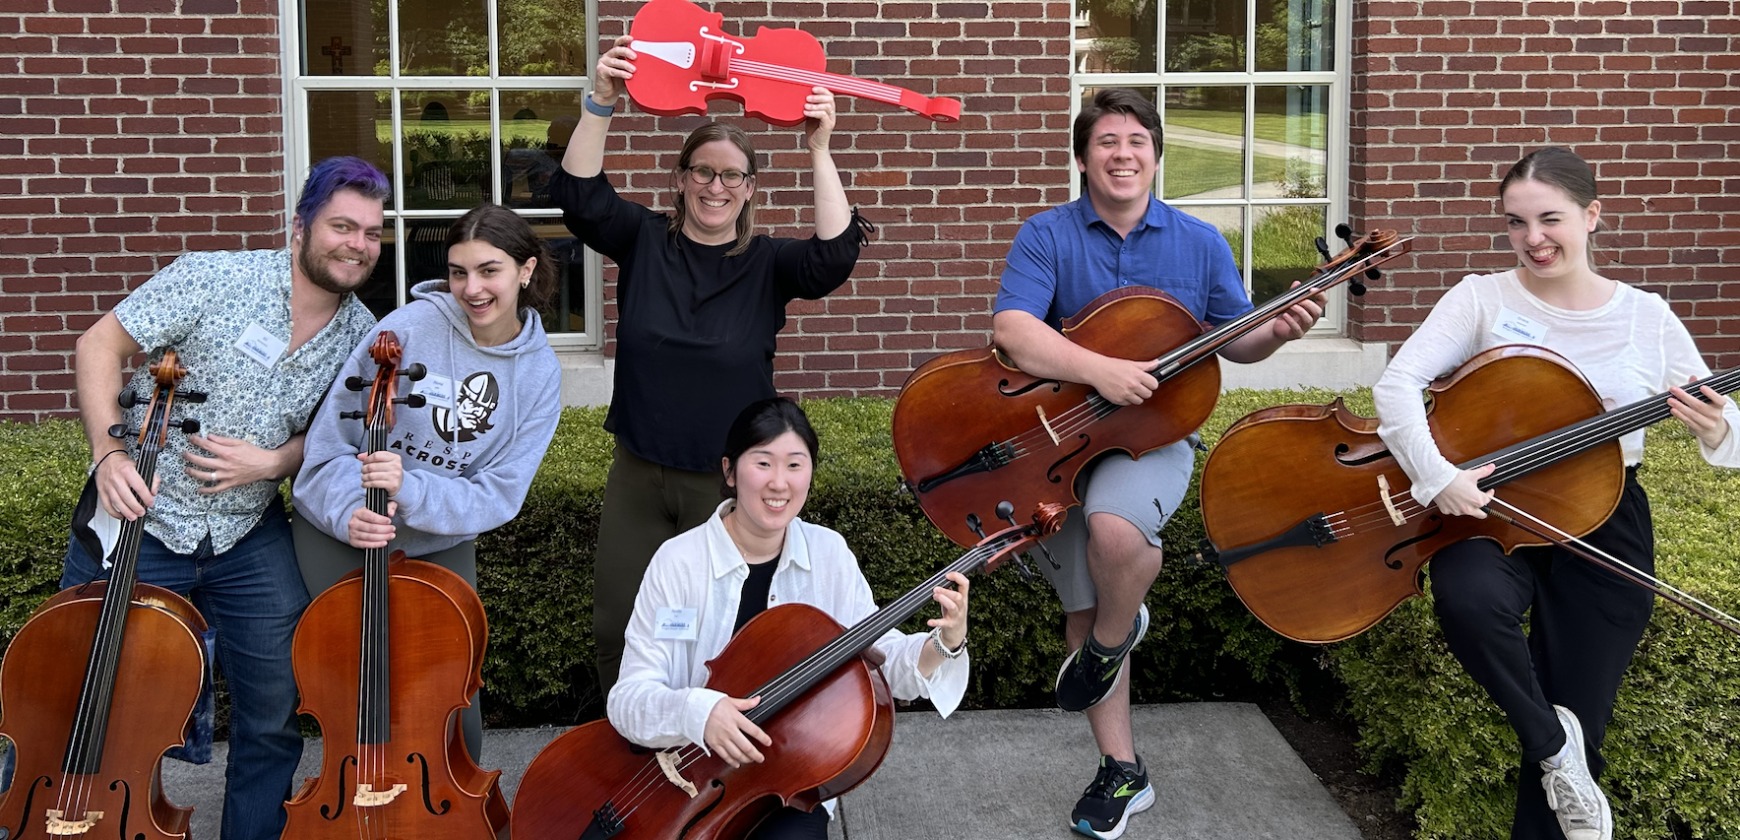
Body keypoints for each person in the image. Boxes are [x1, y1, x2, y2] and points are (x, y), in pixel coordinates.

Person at [1371, 147, 1739, 840]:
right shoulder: (1481, 296)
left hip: (1603, 514)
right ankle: (1550, 744)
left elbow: (1730, 439)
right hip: (1490, 506)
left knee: (1584, 711)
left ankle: (1563, 755)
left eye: (1550, 219)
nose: (1533, 238)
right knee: (1469, 602)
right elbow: (1396, 385)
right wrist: (1436, 477)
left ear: (1592, 215)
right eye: (1516, 223)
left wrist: (1719, 426)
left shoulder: (1648, 316)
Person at [991, 88, 1325, 840]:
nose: (1123, 154)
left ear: (1156, 154)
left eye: (1137, 141)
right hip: (1063, 442)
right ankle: (1122, 770)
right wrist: (1101, 370)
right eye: (1107, 141)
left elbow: (1233, 338)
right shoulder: (1046, 234)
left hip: (1155, 438)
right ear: (1083, 158)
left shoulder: (1200, 241)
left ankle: (1116, 638)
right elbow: (1013, 331)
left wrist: (1278, 333)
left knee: (1115, 536)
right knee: (1085, 604)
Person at [61, 156, 387, 840]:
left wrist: (275, 460)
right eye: (342, 226)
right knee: (79, 699)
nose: (358, 243)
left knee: (273, 712)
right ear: (299, 227)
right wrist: (109, 452)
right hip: (142, 517)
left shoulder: (363, 333)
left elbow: (333, 437)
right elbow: (98, 345)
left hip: (246, 534)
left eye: (372, 232)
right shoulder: (215, 275)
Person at [552, 34, 871, 693]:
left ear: (750, 188)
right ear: (681, 178)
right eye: (703, 171)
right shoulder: (643, 240)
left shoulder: (767, 264)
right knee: (618, 624)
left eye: (731, 175)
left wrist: (819, 146)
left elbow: (834, 257)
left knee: (712, 634)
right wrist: (600, 102)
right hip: (640, 472)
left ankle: (705, 755)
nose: (715, 186)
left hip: (721, 486)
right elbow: (581, 198)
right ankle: (633, 743)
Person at [608, 397, 971, 840]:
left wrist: (943, 643)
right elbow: (628, 698)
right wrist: (697, 711)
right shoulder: (679, 562)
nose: (779, 483)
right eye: (763, 463)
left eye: (795, 465)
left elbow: (881, 660)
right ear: (729, 471)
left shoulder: (828, 553)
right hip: (684, 783)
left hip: (787, 782)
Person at [291, 203, 563, 761]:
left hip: (438, 541)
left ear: (525, 271)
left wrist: (408, 490)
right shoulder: (405, 330)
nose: (472, 288)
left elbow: (500, 493)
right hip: (341, 532)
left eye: (489, 271)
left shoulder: (538, 373)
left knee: (455, 708)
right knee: (353, 696)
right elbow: (328, 450)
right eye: (459, 272)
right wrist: (350, 508)